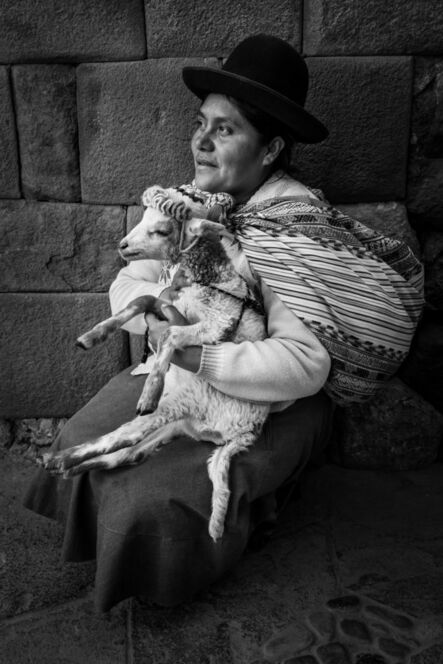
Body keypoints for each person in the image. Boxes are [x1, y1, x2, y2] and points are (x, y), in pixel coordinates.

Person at [24, 35, 423, 612]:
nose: (201, 143)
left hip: (267, 400)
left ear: (271, 149)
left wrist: (195, 353)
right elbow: (127, 283)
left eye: (225, 130)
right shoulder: (184, 204)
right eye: (200, 123)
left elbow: (305, 365)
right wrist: (164, 320)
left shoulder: (293, 235)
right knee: (77, 443)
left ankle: (233, 528)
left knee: (153, 501)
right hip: (182, 371)